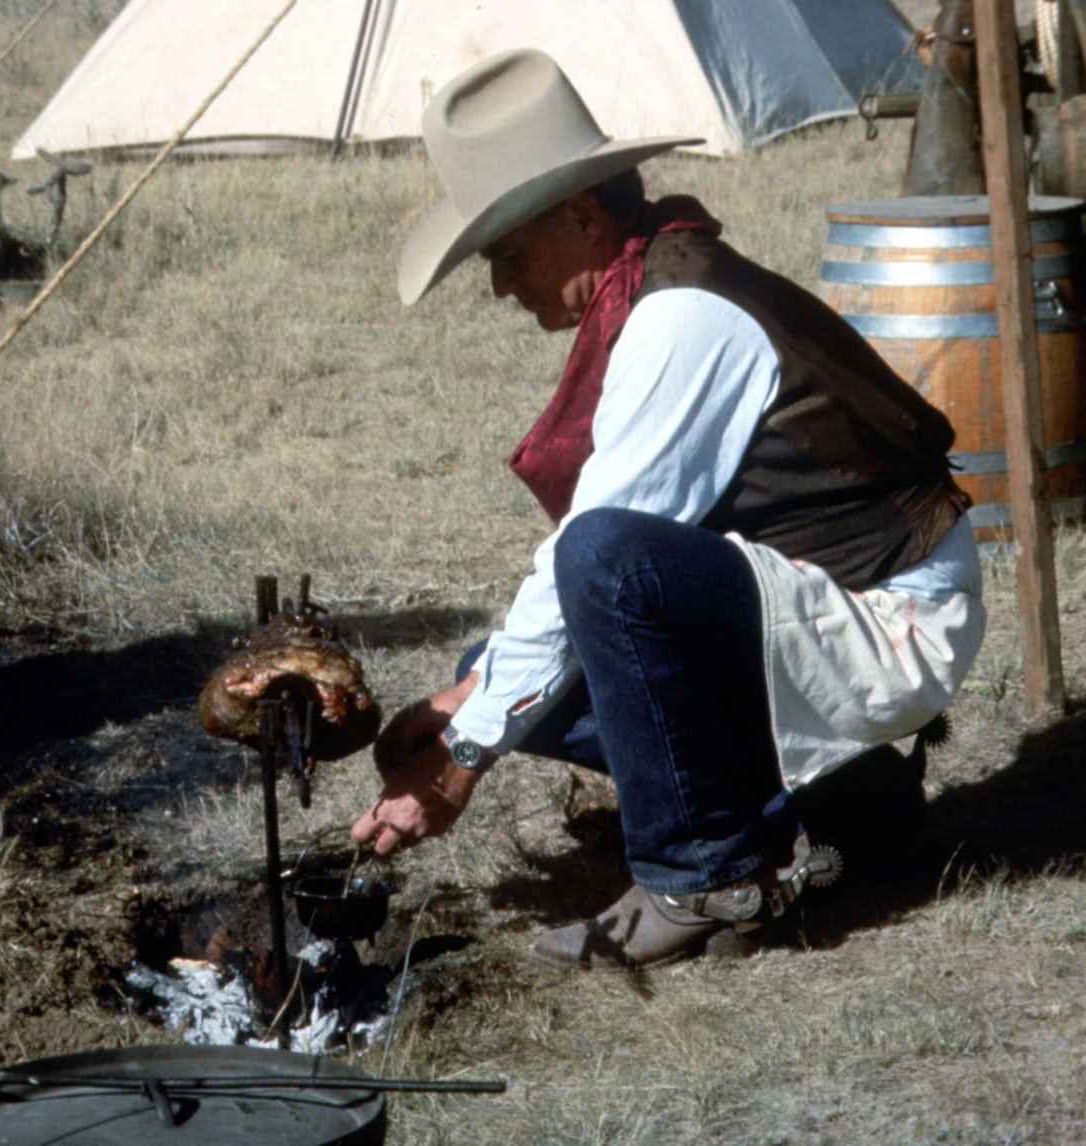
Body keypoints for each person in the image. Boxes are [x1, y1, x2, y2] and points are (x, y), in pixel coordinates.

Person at [350, 48, 986, 970]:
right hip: (820, 595)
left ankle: (705, 875)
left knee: (603, 564)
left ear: (581, 215)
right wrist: (467, 700)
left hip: (888, 614)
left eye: (508, 254)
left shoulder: (680, 316)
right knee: (491, 669)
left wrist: (458, 764)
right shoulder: (650, 285)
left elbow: (599, 551)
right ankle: (843, 802)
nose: (499, 286)